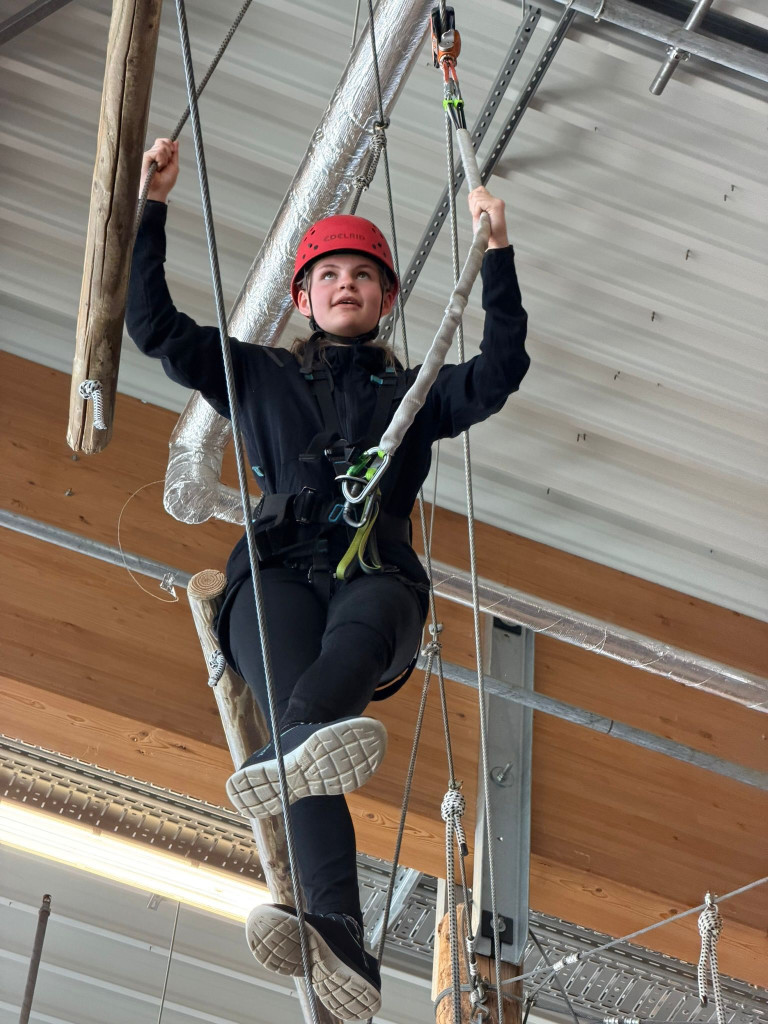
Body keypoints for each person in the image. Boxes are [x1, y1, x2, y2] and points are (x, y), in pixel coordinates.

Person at [127, 137, 530, 1021]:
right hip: (274, 574)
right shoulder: (259, 373)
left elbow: (500, 371)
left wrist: (496, 253)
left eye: (362, 275)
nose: (345, 285)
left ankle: (289, 764)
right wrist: (151, 209)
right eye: (329, 276)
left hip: (375, 577)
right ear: (303, 300)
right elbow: (155, 328)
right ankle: (340, 928)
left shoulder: (414, 396)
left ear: (385, 299)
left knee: (322, 700)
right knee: (306, 743)